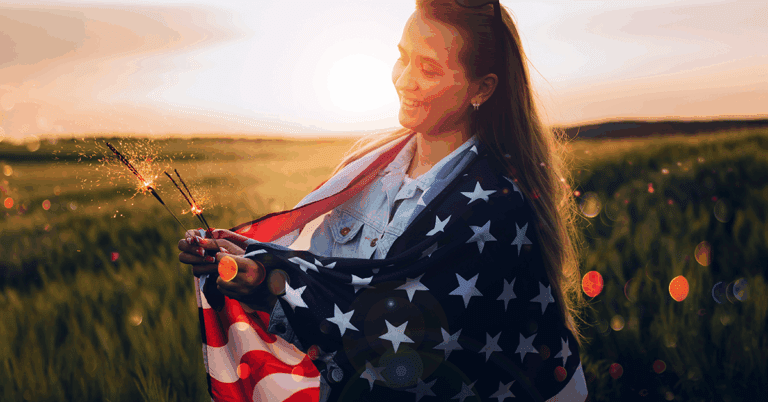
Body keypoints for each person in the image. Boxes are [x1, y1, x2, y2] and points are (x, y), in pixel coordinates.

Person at [179, 1, 590, 401]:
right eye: (403, 58)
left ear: (481, 88)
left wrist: (270, 280)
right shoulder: (364, 170)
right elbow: (325, 281)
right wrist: (250, 263)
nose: (404, 80)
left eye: (428, 69)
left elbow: (404, 338)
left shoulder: (498, 207)